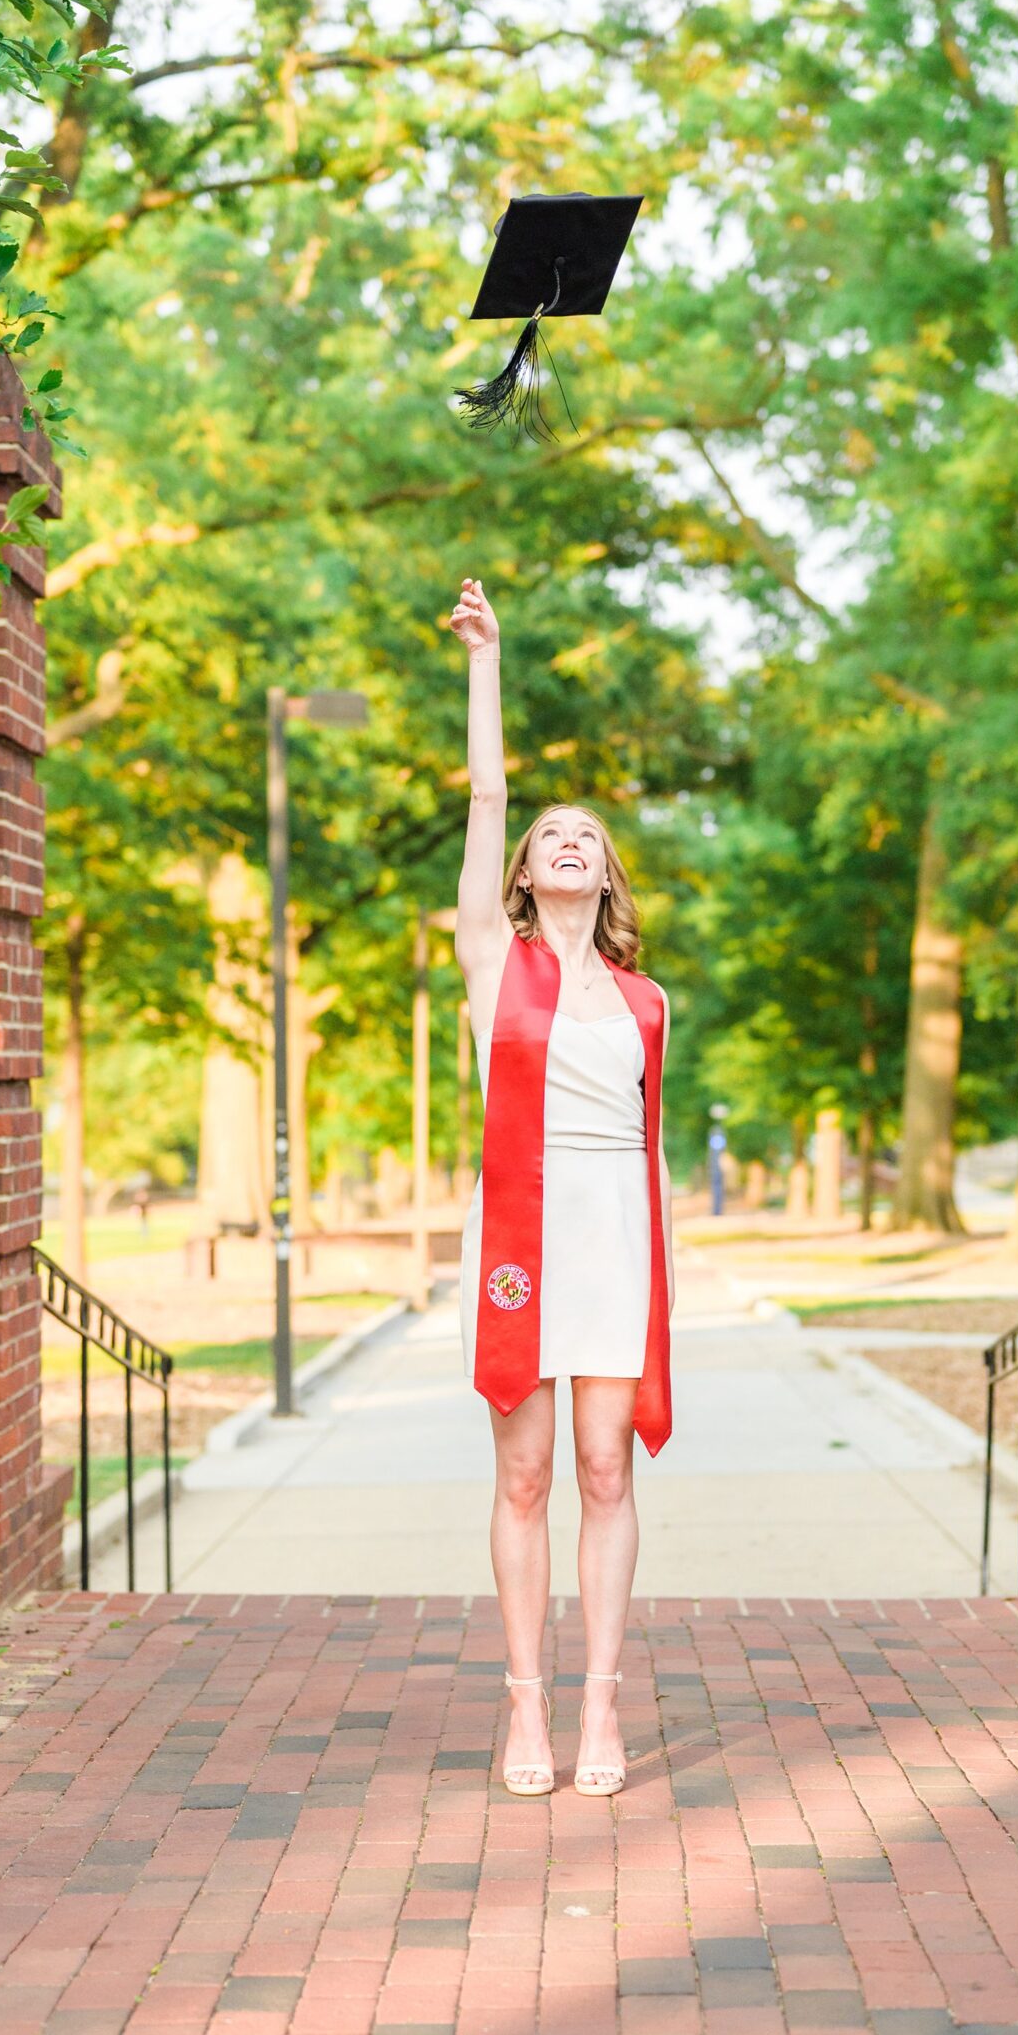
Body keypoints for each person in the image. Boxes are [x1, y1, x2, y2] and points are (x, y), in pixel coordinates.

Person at [448, 575, 675, 1799]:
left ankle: (601, 1707)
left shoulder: (647, 1001)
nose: (567, 839)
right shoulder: (497, 962)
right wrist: (488, 660)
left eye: (586, 831)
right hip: (524, 1234)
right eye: (550, 835)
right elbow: (485, 792)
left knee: (604, 1470)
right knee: (525, 1473)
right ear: (527, 876)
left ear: (605, 869)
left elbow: (652, 1153)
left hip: (617, 1239)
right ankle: (523, 1708)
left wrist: (666, 1290)